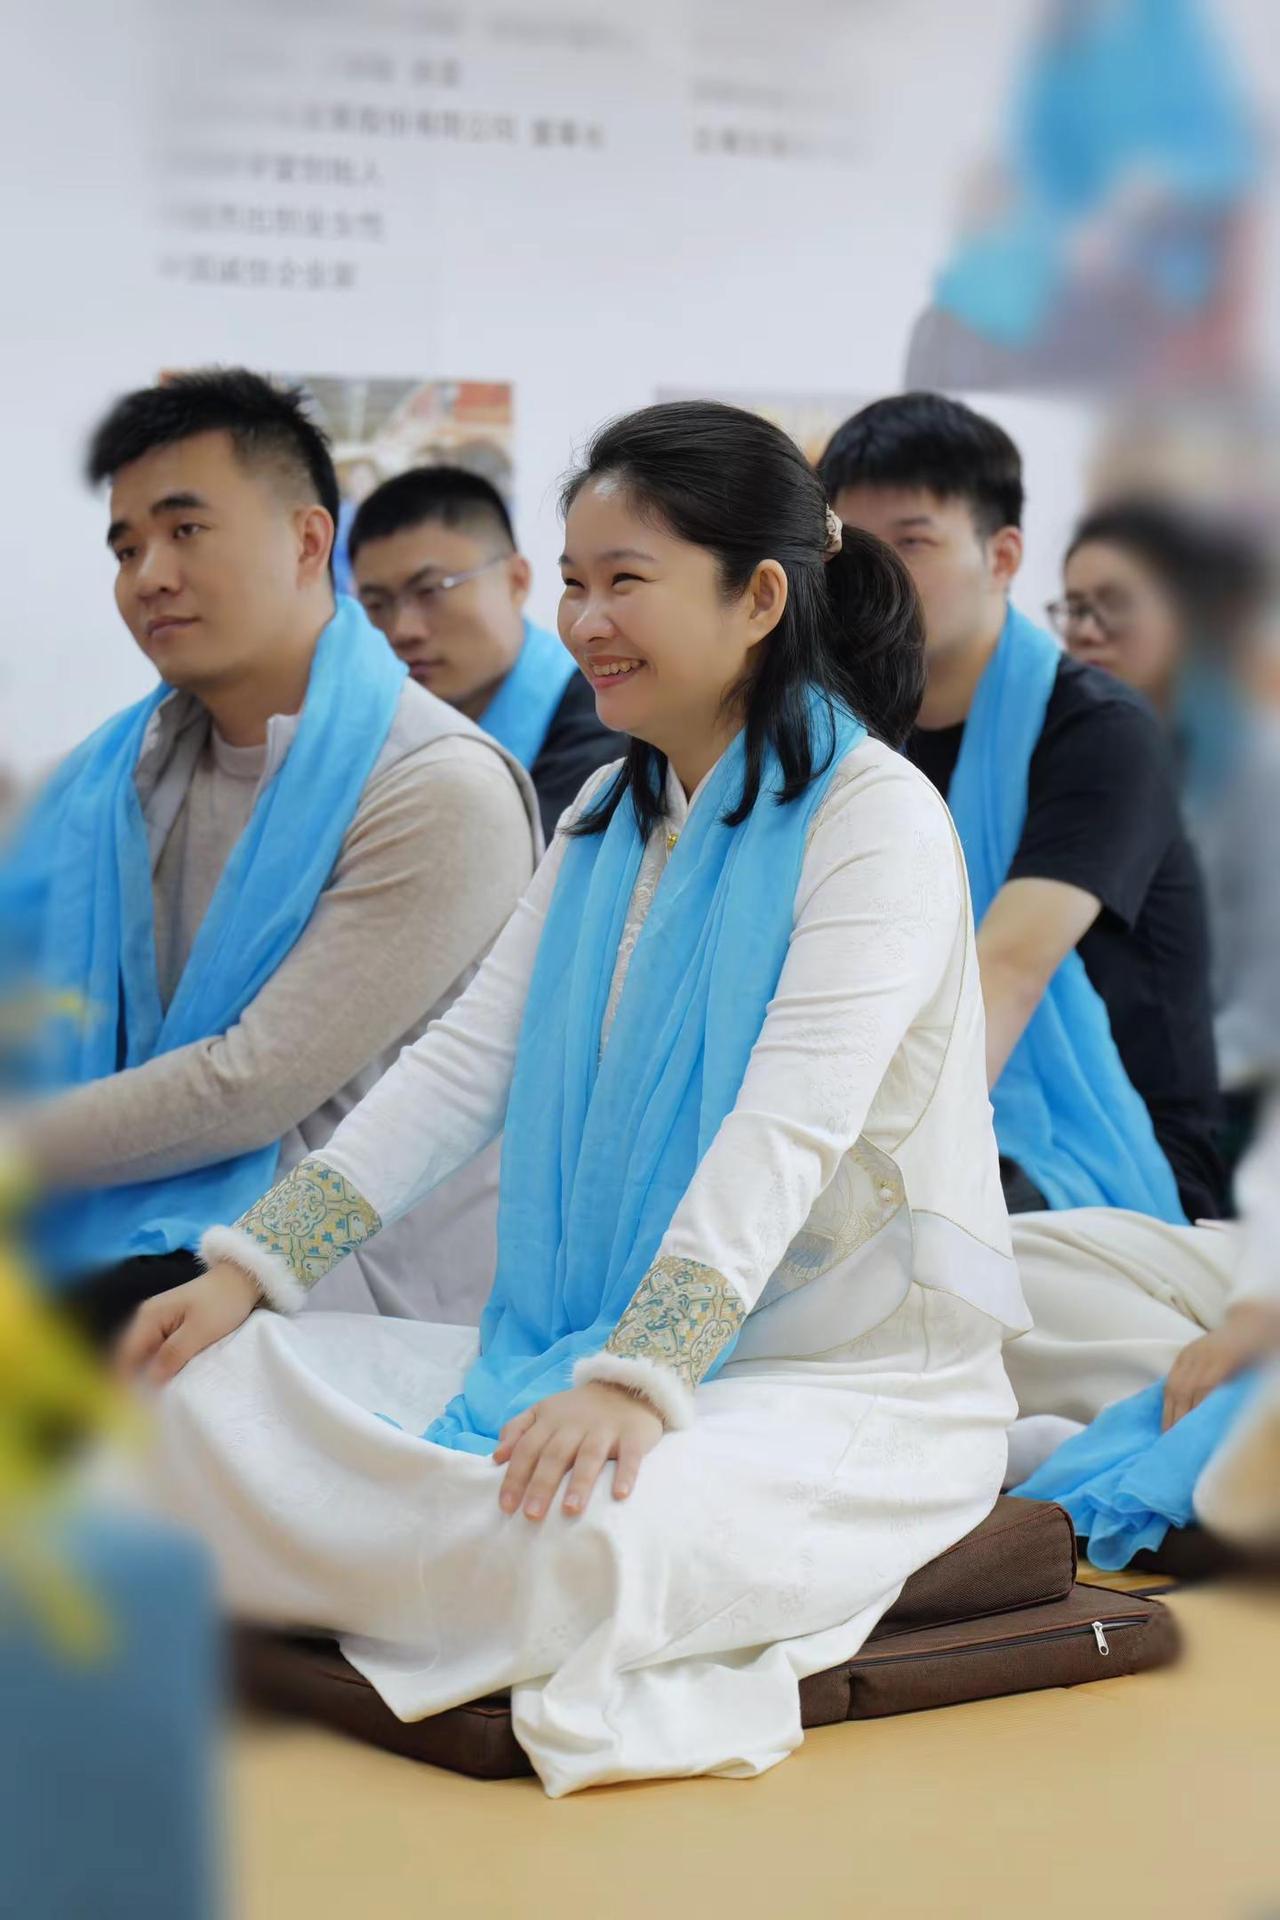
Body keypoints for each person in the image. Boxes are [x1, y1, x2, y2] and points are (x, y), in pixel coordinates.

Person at [116, 400, 1027, 1798]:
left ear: (758, 599)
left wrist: (639, 1377)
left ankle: (408, 1558)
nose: (586, 623)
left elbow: (785, 1128)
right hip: (569, 1344)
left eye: (626, 582)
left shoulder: (877, 818)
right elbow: (461, 1069)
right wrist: (248, 1271)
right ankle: (422, 1547)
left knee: (582, 1542)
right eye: (575, 581)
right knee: (193, 1395)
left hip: (840, 1384)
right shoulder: (606, 813)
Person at [3, 370, 537, 1341]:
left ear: (307, 541)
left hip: (344, 1296)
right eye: (126, 548)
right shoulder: (118, 775)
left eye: (186, 529)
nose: (149, 575)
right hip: (142, 1240)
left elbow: (245, 1086)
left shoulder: (439, 788)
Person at [822, 392, 1224, 1222]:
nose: (877, 576)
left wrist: (850, 1170)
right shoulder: (845, 734)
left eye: (912, 542)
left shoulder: (1099, 731)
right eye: (854, 549)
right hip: (932, 1113)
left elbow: (1004, 972)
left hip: (1106, 1151)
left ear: (1003, 556)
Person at [1056, 498, 1280, 1157]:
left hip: (1209, 1107)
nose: (1088, 629)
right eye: (1074, 607)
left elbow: (1266, 1002)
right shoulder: (1068, 755)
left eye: (1114, 604)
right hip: (1076, 1102)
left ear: (1182, 613)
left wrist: (1147, 1088)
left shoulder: (1255, 767)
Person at [349, 466, 618, 841]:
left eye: (430, 591)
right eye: (377, 604)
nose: (402, 630)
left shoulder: (606, 725)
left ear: (516, 580)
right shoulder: (373, 725)